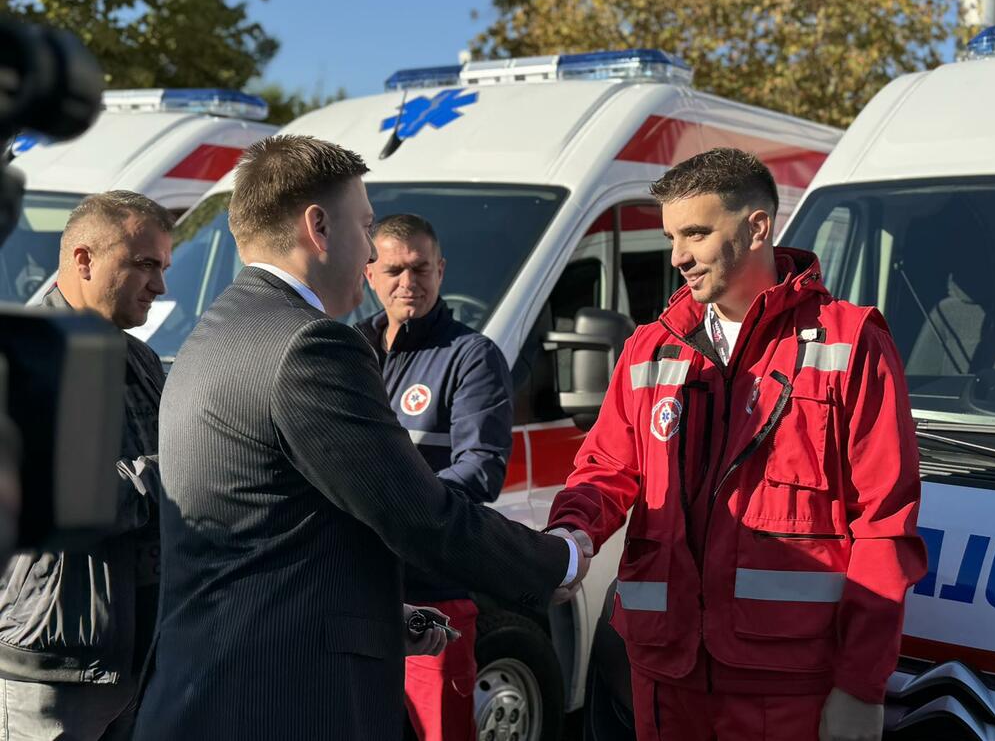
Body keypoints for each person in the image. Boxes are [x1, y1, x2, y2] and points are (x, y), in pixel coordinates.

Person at [132, 135, 590, 741]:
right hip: (286, 700)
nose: (371, 253)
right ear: (319, 227)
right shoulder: (311, 345)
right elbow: (416, 513)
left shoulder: (211, 333)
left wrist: (377, 615)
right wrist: (559, 559)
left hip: (216, 686)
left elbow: (274, 528)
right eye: (366, 227)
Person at [546, 148, 927, 741]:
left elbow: (884, 524)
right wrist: (572, 531)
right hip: (662, 672)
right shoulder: (649, 348)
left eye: (695, 233)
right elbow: (606, 469)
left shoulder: (851, 345)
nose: (677, 257)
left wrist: (859, 686)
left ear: (757, 227)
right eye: (672, 236)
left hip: (787, 684)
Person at [0, 190, 173, 740]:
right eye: (146, 264)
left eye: (164, 267)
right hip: (51, 673)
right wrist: (177, 469)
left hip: (137, 661)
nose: (160, 285)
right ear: (83, 259)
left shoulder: (140, 357)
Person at [357, 214, 511, 741]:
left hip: (432, 597)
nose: (409, 283)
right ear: (368, 273)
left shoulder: (471, 356)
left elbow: (482, 468)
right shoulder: (346, 351)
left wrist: (395, 511)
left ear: (441, 270)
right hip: (354, 594)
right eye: (394, 269)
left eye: (421, 268)